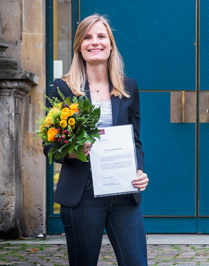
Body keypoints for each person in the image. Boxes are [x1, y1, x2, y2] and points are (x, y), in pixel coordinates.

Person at [43, 14, 149, 266]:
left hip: (123, 192)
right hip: (83, 194)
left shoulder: (128, 87)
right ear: (80, 45)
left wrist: (139, 170)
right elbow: (49, 146)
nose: (95, 42)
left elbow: (135, 141)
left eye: (101, 36)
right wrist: (74, 151)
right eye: (87, 37)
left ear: (110, 44)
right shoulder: (63, 88)